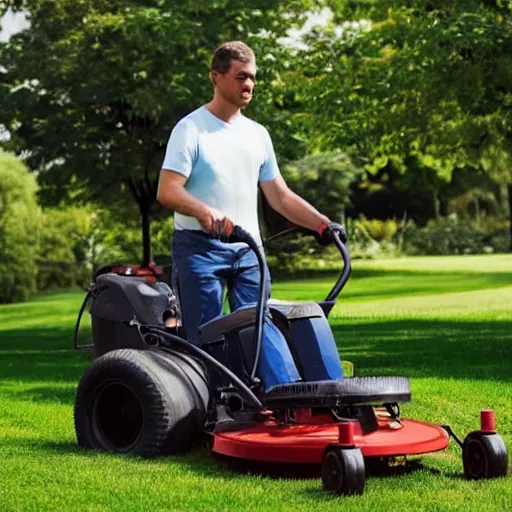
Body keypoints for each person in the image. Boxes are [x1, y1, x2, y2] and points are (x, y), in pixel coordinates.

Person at [157, 41, 345, 390]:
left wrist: (322, 224)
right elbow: (168, 191)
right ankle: (211, 411)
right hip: (199, 248)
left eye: (253, 78)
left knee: (260, 328)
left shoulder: (257, 135)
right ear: (216, 77)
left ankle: (275, 401)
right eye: (241, 76)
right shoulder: (191, 129)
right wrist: (203, 210)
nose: (249, 85)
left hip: (248, 250)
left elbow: (280, 196)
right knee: (207, 334)